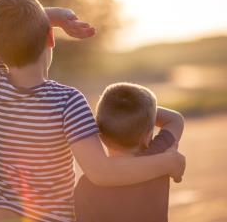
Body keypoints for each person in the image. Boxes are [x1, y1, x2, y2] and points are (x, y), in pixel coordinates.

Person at [0, 0, 185, 222]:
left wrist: (49, 17)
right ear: (50, 38)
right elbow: (101, 173)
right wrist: (168, 162)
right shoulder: (67, 102)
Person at [74, 83, 184, 222]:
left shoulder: (87, 184)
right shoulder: (157, 158)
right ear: (146, 137)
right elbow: (175, 119)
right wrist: (144, 114)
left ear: (100, 134)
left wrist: (112, 116)